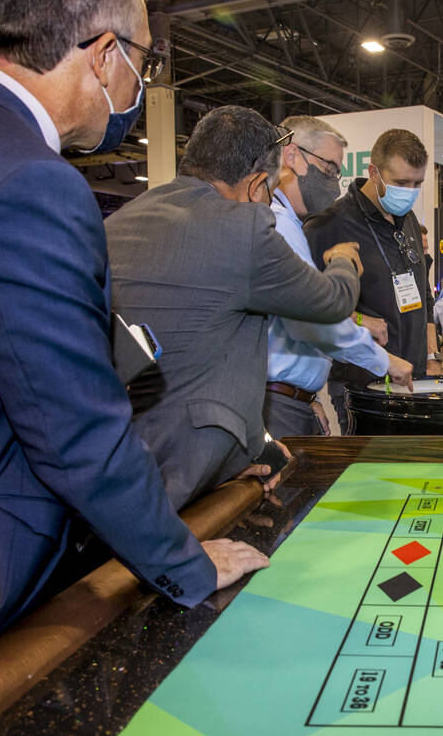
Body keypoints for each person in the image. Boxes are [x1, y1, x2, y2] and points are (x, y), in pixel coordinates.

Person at [0, 0, 268, 705]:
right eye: (143, 61)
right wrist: (182, 562)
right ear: (104, 54)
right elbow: (76, 432)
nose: (137, 86)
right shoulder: (33, 182)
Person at [107, 107, 363, 509]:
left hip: (121, 455)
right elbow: (332, 303)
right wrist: (342, 261)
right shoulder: (244, 228)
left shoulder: (122, 220)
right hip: (189, 468)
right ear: (256, 184)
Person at [263, 115, 413, 439]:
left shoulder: (290, 225)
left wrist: (309, 396)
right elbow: (312, 319)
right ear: (291, 156)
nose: (334, 181)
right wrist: (383, 360)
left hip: (292, 399)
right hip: (279, 403)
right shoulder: (279, 227)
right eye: (329, 168)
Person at [304, 129, 443, 432]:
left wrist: (432, 355)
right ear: (373, 173)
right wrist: (357, 318)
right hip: (362, 384)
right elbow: (303, 304)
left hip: (413, 378)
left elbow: (424, 297)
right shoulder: (329, 225)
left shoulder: (407, 222)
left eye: (417, 183)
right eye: (401, 183)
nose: (409, 191)